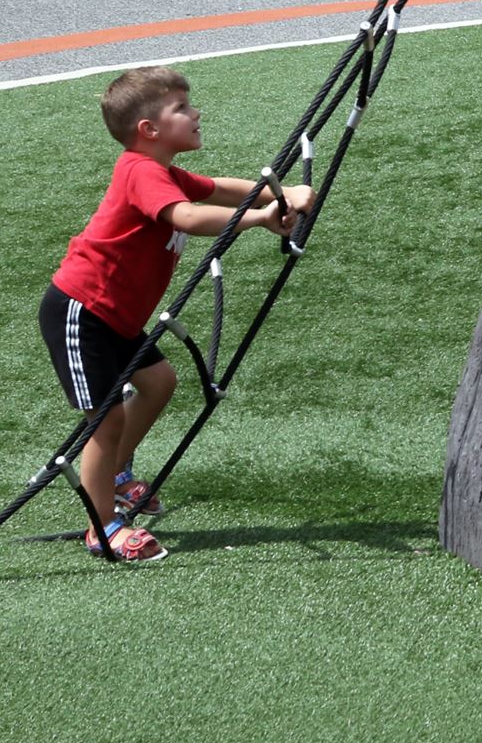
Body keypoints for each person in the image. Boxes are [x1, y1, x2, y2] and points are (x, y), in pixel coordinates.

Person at [39, 65, 313, 563]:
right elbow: (186, 215)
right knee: (105, 421)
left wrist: (281, 193)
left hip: (115, 315)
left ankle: (117, 476)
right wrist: (258, 218)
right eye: (182, 108)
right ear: (150, 129)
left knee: (159, 382)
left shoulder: (162, 170)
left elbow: (217, 189)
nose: (196, 112)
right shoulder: (140, 171)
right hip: (83, 311)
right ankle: (102, 527)